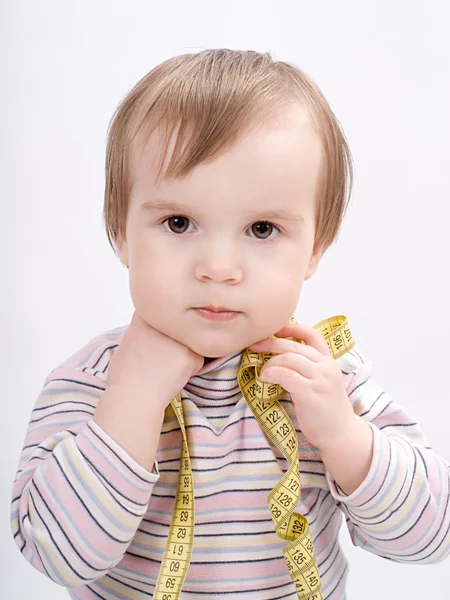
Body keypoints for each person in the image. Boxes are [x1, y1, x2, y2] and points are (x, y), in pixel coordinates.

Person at [10, 48, 450, 600]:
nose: (219, 268)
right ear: (120, 231)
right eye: (179, 221)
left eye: (262, 229)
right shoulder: (93, 381)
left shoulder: (324, 377)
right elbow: (55, 554)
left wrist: (344, 437)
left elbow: (431, 537)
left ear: (315, 248)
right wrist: (132, 402)